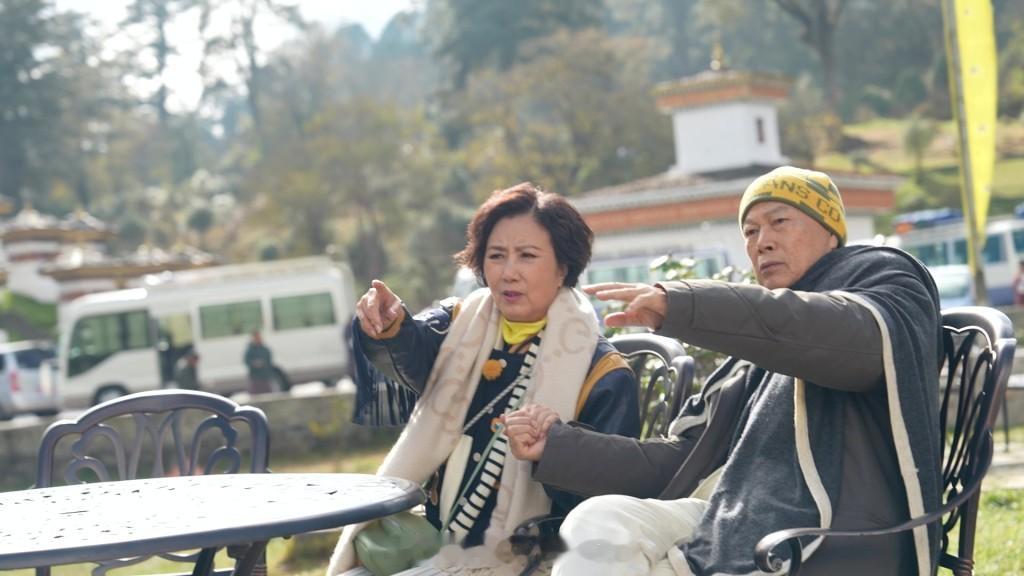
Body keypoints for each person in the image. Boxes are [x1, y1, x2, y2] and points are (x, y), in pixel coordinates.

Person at [505, 166, 943, 576]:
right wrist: (558, 446)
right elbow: (683, 462)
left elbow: (845, 338)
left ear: (831, 232)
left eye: (779, 222)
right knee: (599, 521)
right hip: (727, 516)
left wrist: (684, 304)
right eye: (750, 231)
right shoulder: (755, 350)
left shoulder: (882, 276)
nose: (761, 242)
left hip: (826, 534)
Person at [327, 182, 641, 575]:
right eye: (496, 256)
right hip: (435, 540)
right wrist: (390, 326)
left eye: (527, 256)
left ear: (563, 267)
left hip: (532, 558)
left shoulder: (603, 375)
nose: (508, 272)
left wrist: (554, 448)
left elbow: (606, 502)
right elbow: (413, 349)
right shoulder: (459, 324)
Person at [243, 330, 274, 395]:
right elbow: (247, 361)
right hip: (255, 378)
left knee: (268, 395)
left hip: (265, 377)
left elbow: (269, 361)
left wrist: (263, 364)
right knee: (255, 396)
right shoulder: (250, 350)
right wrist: (254, 364)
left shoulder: (265, 349)